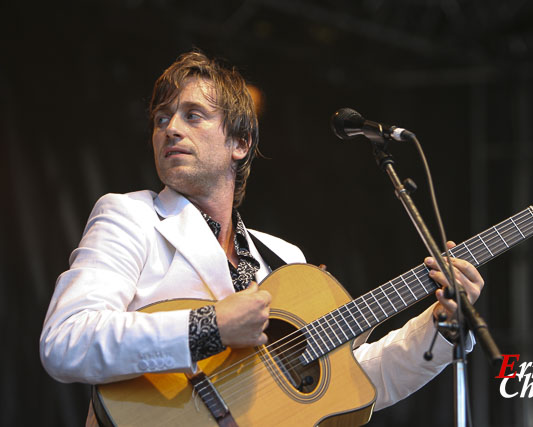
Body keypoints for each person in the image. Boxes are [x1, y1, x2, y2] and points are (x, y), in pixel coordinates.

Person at [39, 50, 484, 423]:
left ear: (241, 142)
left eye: (193, 115)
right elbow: (66, 341)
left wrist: (440, 326)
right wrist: (211, 328)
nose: (170, 128)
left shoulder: (285, 259)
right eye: (161, 118)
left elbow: (356, 380)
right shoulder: (129, 216)